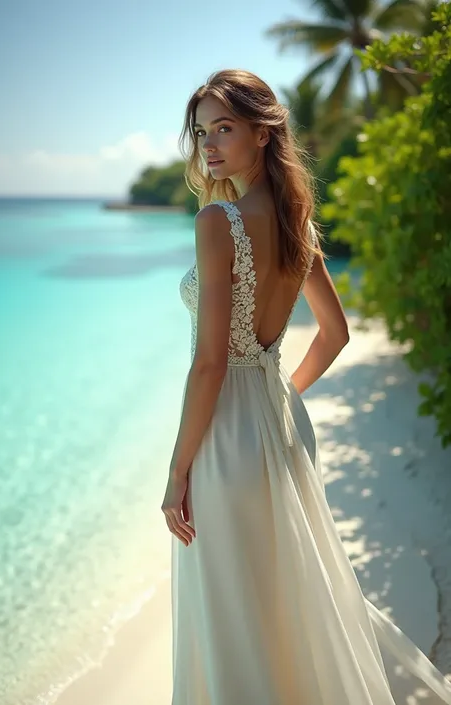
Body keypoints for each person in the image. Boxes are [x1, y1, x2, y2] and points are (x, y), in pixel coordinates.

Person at [161, 68, 451, 705]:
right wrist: (280, 390)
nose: (209, 144)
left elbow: (209, 364)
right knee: (282, 598)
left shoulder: (218, 221)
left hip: (226, 439)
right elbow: (335, 333)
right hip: (280, 424)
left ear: (263, 134)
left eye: (225, 128)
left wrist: (178, 471)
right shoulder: (298, 229)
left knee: (232, 612)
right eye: (202, 131)